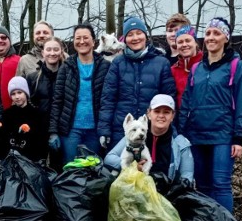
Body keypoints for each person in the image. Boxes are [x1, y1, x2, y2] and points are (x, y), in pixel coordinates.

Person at [179, 17, 242, 213]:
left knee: (220, 184)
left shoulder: (236, 66)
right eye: (208, 33)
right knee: (202, 185)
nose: (211, 37)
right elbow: (187, 101)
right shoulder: (196, 69)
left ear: (225, 38)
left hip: (223, 135)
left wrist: (238, 137)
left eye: (217, 33)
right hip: (196, 135)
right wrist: (181, 131)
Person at [98, 16, 176, 150]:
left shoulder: (161, 63)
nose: (135, 38)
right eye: (130, 34)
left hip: (151, 131)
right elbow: (108, 99)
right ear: (125, 39)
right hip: (121, 131)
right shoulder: (118, 63)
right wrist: (104, 130)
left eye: (139, 33)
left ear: (145, 35)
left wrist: (171, 129)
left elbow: (169, 99)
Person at [105, 94, 194, 194]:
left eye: (166, 112)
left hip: (166, 196)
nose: (161, 115)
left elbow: (187, 178)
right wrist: (133, 166)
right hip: (133, 192)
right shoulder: (134, 136)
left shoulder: (181, 144)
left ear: (172, 116)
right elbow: (109, 158)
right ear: (149, 114)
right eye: (156, 111)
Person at [49, 24, 110, 164]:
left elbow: (109, 100)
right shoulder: (66, 67)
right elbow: (57, 100)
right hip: (71, 131)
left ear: (93, 41)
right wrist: (53, 132)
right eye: (78, 38)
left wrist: (106, 129)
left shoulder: (105, 66)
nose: (81, 41)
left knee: (94, 171)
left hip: (95, 131)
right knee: (72, 170)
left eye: (85, 37)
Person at [26, 37, 67, 170]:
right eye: (48, 49)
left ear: (61, 52)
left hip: (62, 130)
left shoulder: (68, 76)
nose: (52, 53)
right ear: (43, 53)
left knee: (59, 168)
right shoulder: (33, 78)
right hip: (39, 130)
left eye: (56, 49)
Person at [0, 76, 47, 161]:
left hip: (30, 161)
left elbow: (41, 140)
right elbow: (2, 139)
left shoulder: (36, 114)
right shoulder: (7, 114)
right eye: (13, 94)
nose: (16, 97)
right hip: (10, 160)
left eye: (19, 92)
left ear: (26, 93)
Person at [172, 25, 203, 109]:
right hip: (182, 119)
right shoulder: (173, 70)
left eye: (188, 40)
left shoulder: (207, 65)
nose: (184, 44)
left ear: (196, 43)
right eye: (180, 42)